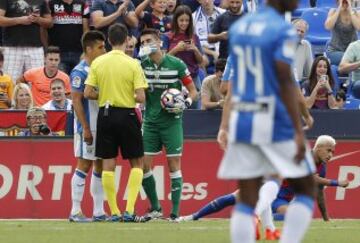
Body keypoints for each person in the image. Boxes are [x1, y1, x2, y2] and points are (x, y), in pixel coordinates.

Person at [217, 1, 316, 243]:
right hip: (273, 117)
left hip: (243, 116)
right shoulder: (282, 30)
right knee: (305, 188)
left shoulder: (241, 28)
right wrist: (297, 128)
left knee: (247, 195)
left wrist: (224, 125)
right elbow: (286, 81)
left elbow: (232, 87)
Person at [84, 23, 148, 222]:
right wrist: (125, 93)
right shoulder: (133, 64)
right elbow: (141, 97)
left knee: (107, 164)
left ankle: (114, 212)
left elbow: (87, 93)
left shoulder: (98, 63)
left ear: (109, 41)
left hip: (105, 114)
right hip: (127, 114)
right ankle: (129, 210)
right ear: (128, 39)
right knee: (136, 163)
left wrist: (106, 93)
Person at [139, 28, 198, 221]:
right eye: (142, 42)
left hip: (171, 122)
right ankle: (155, 208)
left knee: (173, 165)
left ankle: (175, 212)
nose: (144, 45)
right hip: (150, 123)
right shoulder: (141, 66)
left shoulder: (177, 64)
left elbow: (193, 91)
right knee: (143, 166)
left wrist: (185, 104)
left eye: (148, 41)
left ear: (159, 42)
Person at [69, 30, 107, 222]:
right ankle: (75, 211)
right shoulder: (80, 71)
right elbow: (76, 101)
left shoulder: (100, 68)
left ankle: (98, 211)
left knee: (99, 165)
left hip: (101, 126)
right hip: (88, 127)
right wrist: (84, 128)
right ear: (89, 48)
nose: (104, 50)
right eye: (100, 47)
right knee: (84, 164)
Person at [272, 135, 350, 221]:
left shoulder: (322, 168)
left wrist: (326, 218)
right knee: (293, 216)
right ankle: (262, 217)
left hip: (284, 201)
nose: (330, 155)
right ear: (318, 147)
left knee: (299, 216)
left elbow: (319, 193)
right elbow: (310, 178)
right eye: (328, 150)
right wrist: (337, 183)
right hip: (273, 196)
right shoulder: (303, 157)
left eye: (332, 152)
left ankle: (265, 217)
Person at [0, 0, 52, 81]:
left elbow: (49, 23)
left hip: (36, 48)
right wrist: (19, 20)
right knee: (10, 81)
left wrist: (37, 19)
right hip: (12, 47)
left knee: (38, 81)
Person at [162, 5, 204, 97]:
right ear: (176, 20)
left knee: (195, 110)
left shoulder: (194, 37)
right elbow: (162, 60)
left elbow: (201, 62)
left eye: (187, 20)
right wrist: (176, 49)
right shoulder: (167, 36)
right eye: (181, 20)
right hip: (174, 80)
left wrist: (195, 49)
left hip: (193, 78)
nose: (184, 23)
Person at [48, 0, 90, 74]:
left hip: (79, 53)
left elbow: (86, 30)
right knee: (61, 82)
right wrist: (47, 47)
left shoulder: (82, 4)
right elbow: (45, 28)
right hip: (58, 53)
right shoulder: (51, 4)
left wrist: (85, 51)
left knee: (78, 82)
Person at [192, 0, 225, 74]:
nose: (207, 1)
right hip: (204, 52)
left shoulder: (224, 13)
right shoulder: (193, 17)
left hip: (222, 50)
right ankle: (205, 83)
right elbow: (194, 43)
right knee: (201, 60)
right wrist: (213, 53)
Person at [324, 0, 360, 66]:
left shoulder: (356, 13)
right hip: (335, 51)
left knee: (352, 58)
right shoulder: (333, 11)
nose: (345, 3)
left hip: (352, 51)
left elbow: (358, 27)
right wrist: (339, 9)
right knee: (352, 60)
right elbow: (328, 27)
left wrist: (350, 10)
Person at [292, 18, 313, 83]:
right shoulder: (281, 43)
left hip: (297, 85)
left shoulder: (306, 45)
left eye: (302, 31)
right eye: (297, 30)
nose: (299, 33)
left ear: (305, 34)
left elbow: (309, 72)